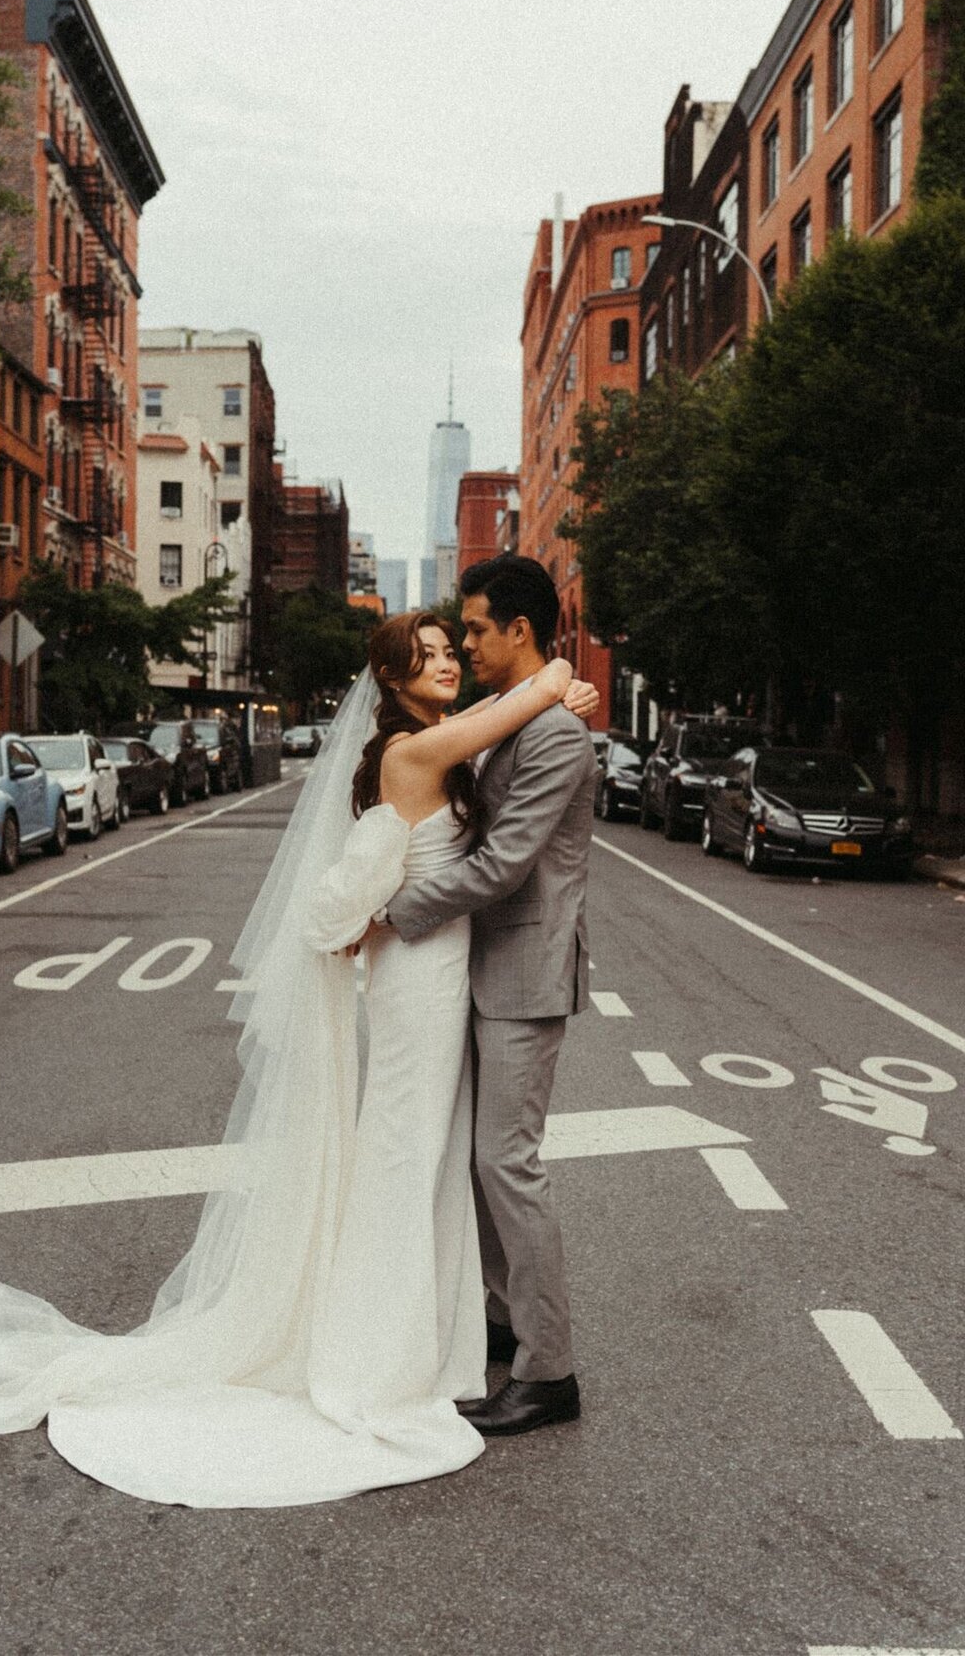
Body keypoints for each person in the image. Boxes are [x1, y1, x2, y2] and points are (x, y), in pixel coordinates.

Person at [0, 605, 596, 1509]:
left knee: (430, 1156)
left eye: (453, 650)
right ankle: (377, 1354)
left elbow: (494, 748)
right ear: (389, 676)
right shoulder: (416, 753)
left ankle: (431, 1333)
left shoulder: (433, 743)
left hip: (441, 972)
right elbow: (505, 717)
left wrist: (546, 695)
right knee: (404, 1153)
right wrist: (553, 679)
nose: (449, 663)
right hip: (420, 976)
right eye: (429, 654)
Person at [381, 556, 598, 1436]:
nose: (465, 642)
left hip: (524, 974)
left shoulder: (554, 738)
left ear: (519, 629)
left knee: (508, 1164)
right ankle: (504, 1319)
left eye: (474, 628)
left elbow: (507, 861)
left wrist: (397, 909)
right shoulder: (519, 717)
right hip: (479, 967)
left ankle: (552, 1372)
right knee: (478, 1161)